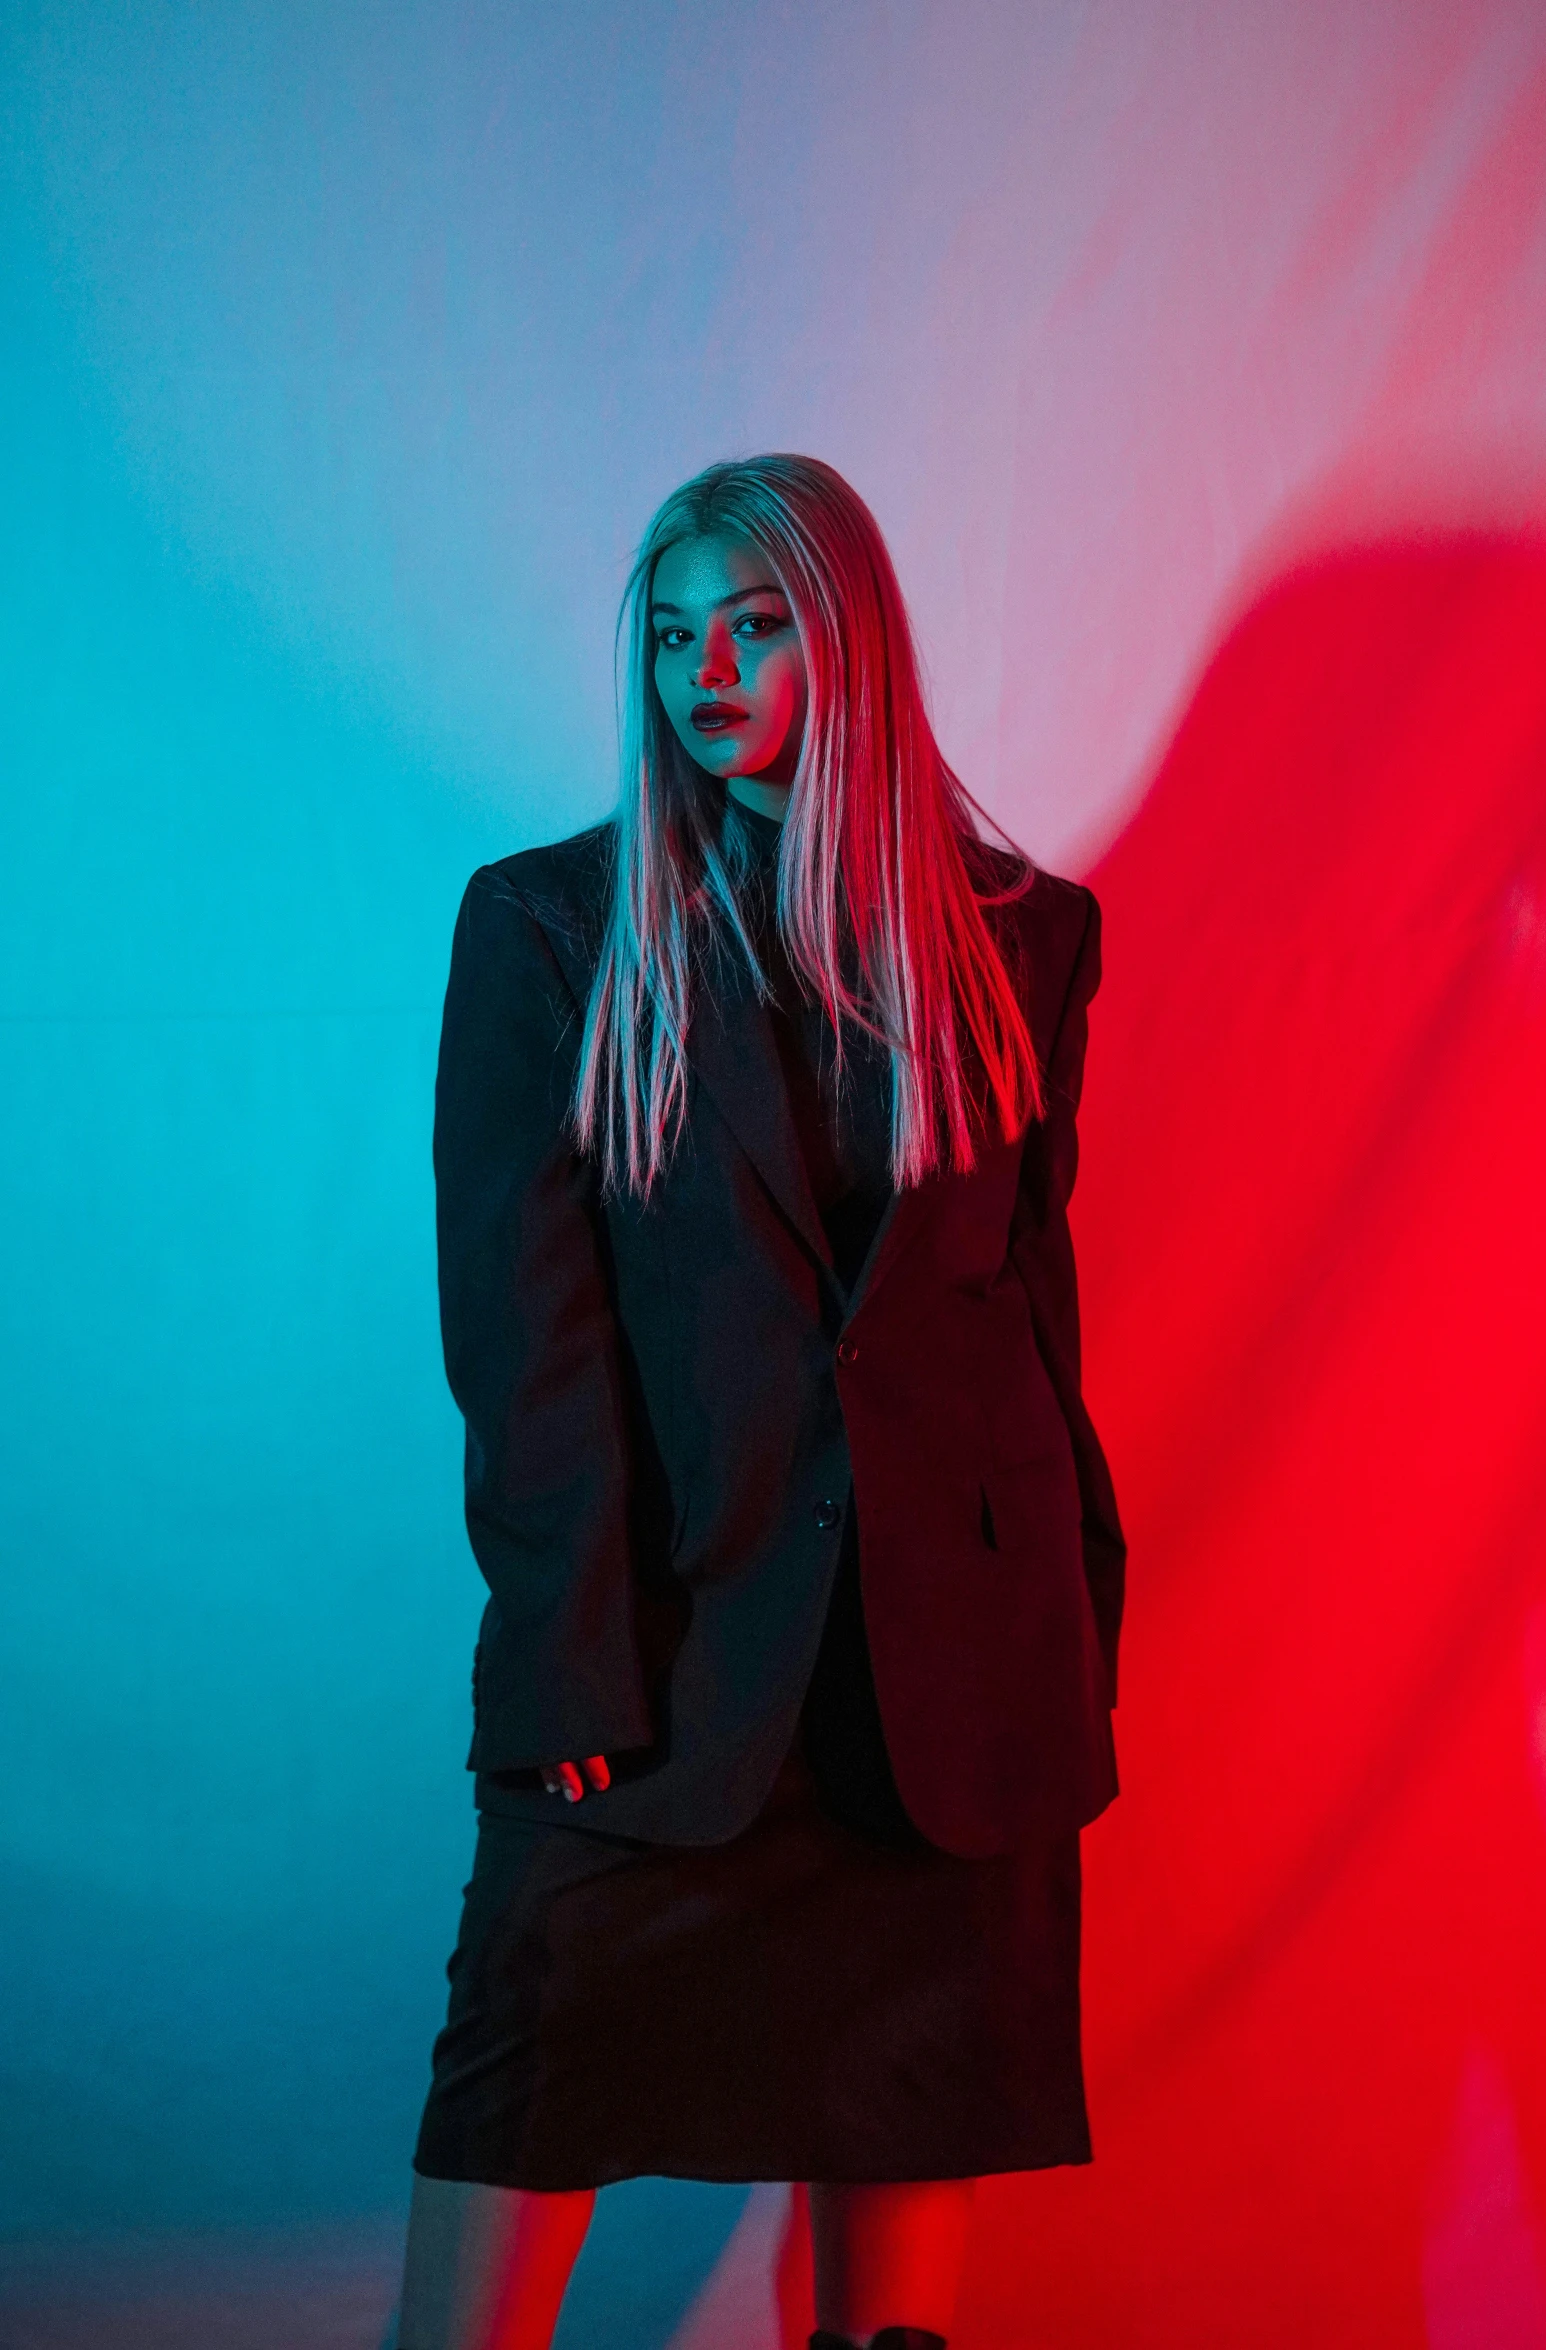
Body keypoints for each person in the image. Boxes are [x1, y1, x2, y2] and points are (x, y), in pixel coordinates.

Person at [394, 454, 1125, 2350]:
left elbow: (1022, 1325)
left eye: (754, 621)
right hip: (655, 1674)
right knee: (492, 2192)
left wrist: (1072, 1638)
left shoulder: (1018, 934)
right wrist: (560, 1665)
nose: (701, 670)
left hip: (937, 1697)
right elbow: (521, 1350)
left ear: (850, 637)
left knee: (891, 2323)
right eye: (666, 634)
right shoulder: (554, 932)